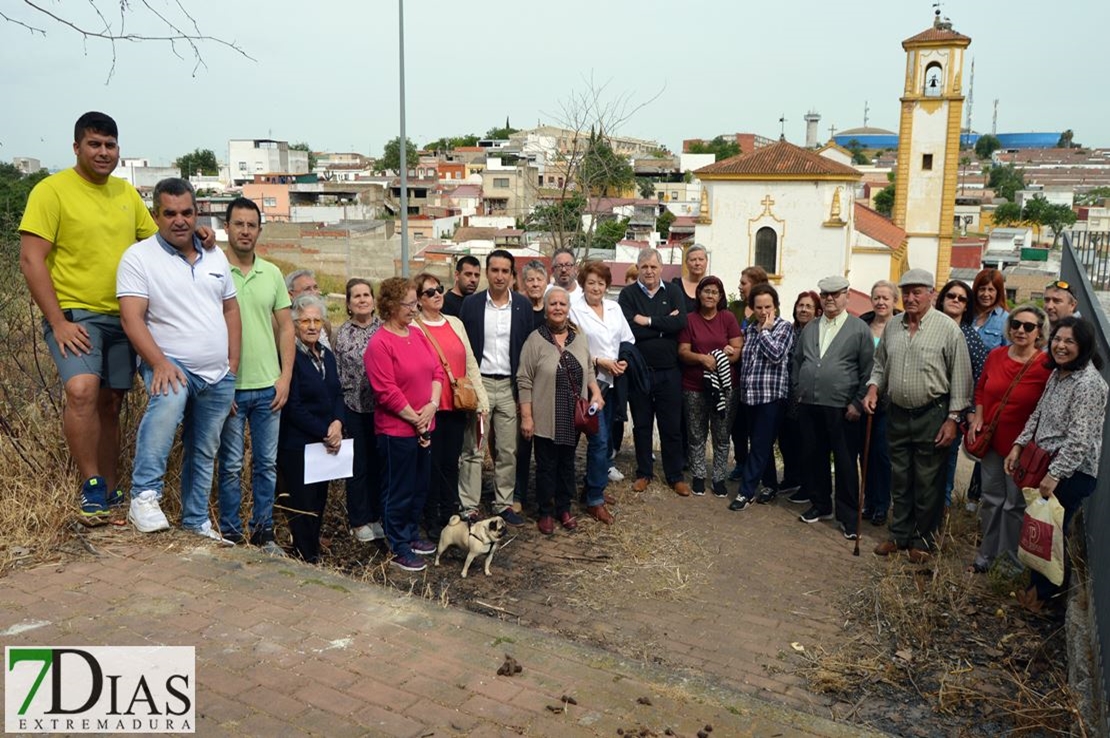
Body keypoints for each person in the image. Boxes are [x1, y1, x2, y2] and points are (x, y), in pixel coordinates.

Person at [19, 112, 194, 523]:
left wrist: (193, 234)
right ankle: (92, 485)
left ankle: (111, 491)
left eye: (110, 145)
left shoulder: (125, 194)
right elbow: (31, 259)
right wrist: (58, 321)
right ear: (76, 147)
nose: (103, 152)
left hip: (124, 317)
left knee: (111, 402)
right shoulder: (51, 191)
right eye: (94, 144)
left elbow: (152, 241)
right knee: (81, 390)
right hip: (77, 316)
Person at [116, 178, 239, 543]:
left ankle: (196, 520)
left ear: (197, 213)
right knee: (168, 404)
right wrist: (159, 362)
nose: (179, 220)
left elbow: (231, 309)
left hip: (218, 373)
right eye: (170, 213)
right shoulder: (138, 258)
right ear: (156, 216)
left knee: (205, 447)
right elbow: (131, 318)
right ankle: (144, 496)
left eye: (187, 212)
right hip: (171, 362)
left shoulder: (215, 254)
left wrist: (232, 365)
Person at [863, 269, 973, 562]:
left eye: (917, 292)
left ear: (931, 294)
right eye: (907, 292)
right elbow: (880, 365)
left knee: (927, 480)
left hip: (932, 413)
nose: (911, 298)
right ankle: (899, 535)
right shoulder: (895, 326)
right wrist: (874, 389)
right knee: (899, 478)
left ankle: (922, 540)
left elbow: (961, 379)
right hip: (897, 413)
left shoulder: (948, 329)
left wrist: (952, 419)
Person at [1007, 317, 1107, 612]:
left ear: (1084, 346)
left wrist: (1055, 475)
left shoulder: (1089, 384)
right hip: (1044, 463)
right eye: (1057, 340)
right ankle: (1034, 591)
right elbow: (1038, 414)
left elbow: (1080, 440)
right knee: (1040, 529)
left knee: (1052, 536)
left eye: (1070, 341)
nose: (1061, 346)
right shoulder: (1058, 373)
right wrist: (1019, 444)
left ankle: (1046, 599)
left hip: (1070, 472)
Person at [215, 197, 293, 554]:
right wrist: (219, 384)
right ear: (227, 227)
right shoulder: (211, 269)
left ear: (259, 230)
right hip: (229, 388)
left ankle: (263, 532)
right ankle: (230, 532)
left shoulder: (273, 273)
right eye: (239, 224)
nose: (245, 231)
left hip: (268, 388)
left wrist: (285, 377)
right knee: (230, 465)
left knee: (266, 465)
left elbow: (286, 329)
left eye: (251, 225)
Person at [965, 305, 1052, 573]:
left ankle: (1008, 562)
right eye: (1015, 324)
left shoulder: (1045, 366)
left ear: (1039, 332)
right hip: (992, 442)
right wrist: (977, 416)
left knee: (1014, 505)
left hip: (1023, 449)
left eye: (1028, 326)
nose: (1020, 331)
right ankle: (987, 554)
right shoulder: (996, 355)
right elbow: (981, 389)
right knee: (992, 500)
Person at [366, 277, 445, 572]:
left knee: (418, 487)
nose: (414, 308)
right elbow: (386, 391)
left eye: (415, 303)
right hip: (396, 431)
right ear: (390, 305)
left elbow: (437, 371)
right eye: (409, 303)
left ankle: (411, 534)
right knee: (397, 490)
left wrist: (433, 406)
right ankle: (397, 544)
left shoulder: (417, 334)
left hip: (424, 425)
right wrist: (417, 421)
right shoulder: (380, 343)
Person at [792, 276, 874, 539]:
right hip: (810, 403)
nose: (829, 298)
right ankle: (820, 504)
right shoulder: (811, 327)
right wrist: (798, 388)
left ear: (846, 296)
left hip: (843, 407)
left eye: (835, 294)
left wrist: (858, 402)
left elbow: (869, 368)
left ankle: (849, 516)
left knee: (846, 462)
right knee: (813, 456)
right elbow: (798, 360)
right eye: (825, 294)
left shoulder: (859, 329)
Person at [519, 287, 604, 533]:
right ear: (545, 309)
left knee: (567, 463)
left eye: (562, 304)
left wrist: (596, 393)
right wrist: (527, 417)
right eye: (553, 304)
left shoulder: (579, 338)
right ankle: (545, 511)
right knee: (546, 465)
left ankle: (564, 508)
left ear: (568, 309)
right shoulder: (535, 339)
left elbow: (588, 369)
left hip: (573, 415)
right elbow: (524, 380)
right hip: (545, 415)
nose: (558, 308)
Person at [457, 250, 532, 525]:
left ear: (512, 276)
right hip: (481, 384)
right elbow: (463, 349)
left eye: (505, 271)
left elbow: (525, 350)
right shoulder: (472, 305)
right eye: (495, 270)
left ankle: (503, 503)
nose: (500, 276)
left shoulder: (522, 307)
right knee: (474, 447)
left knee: (507, 449)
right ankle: (469, 506)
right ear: (487, 273)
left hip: (510, 386)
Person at [413, 272, 489, 539]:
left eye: (439, 289)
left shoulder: (455, 323)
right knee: (430, 465)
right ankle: (430, 517)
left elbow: (470, 363)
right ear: (419, 300)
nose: (437, 295)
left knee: (450, 463)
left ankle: (449, 514)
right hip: (430, 407)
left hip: (457, 406)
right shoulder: (414, 327)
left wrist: (481, 399)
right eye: (429, 292)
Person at [618, 248, 691, 496]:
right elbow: (628, 331)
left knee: (671, 426)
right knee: (642, 425)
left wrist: (647, 321)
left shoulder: (672, 291)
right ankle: (644, 472)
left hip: (669, 371)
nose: (649, 271)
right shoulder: (627, 295)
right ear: (638, 269)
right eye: (644, 266)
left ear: (661, 268)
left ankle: (675, 475)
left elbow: (680, 323)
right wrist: (662, 325)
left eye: (653, 266)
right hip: (640, 372)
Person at [277, 295, 344, 563]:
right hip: (299, 443)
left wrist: (338, 423)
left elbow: (338, 393)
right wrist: (325, 431)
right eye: (305, 320)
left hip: (326, 444)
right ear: (294, 324)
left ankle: (311, 551)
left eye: (317, 320)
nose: (312, 326)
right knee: (301, 505)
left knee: (319, 502)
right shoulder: (290, 357)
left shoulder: (326, 356)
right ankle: (307, 558)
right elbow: (293, 407)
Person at [571, 261, 635, 521]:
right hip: (587, 385)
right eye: (591, 283)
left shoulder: (614, 307)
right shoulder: (575, 311)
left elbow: (627, 340)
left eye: (601, 283)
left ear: (607, 286)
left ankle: (591, 486)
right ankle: (595, 500)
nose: (596, 288)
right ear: (583, 284)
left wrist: (623, 360)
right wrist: (599, 361)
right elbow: (573, 348)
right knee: (597, 441)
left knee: (606, 441)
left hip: (612, 384)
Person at [731, 284, 794, 511]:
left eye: (768, 306)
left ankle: (746, 492)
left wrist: (766, 330)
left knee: (758, 444)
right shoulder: (748, 331)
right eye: (759, 307)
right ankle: (769, 484)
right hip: (750, 396)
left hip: (772, 397)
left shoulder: (784, 328)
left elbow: (776, 355)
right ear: (752, 308)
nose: (763, 311)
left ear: (775, 306)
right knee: (761, 444)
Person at [677, 276, 742, 498]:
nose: (710, 295)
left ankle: (719, 478)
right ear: (699, 294)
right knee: (696, 433)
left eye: (715, 292)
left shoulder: (728, 318)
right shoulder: (690, 319)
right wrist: (703, 359)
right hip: (694, 385)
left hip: (725, 386)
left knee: (722, 434)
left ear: (721, 296)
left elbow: (737, 348)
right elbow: (683, 351)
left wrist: (722, 358)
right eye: (706, 291)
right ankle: (698, 476)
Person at [333, 278, 385, 544]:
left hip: (382, 408)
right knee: (358, 466)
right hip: (353, 407)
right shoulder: (342, 334)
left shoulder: (385, 330)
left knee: (379, 464)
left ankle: (378, 517)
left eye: (367, 295)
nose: (363, 299)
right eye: (357, 296)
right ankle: (359, 520)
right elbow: (336, 374)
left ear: (374, 300)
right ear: (349, 303)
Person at [936, 279, 989, 506]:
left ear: (967, 306)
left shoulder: (970, 337)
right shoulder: (927, 328)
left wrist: (970, 412)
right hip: (922, 408)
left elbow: (980, 377)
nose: (956, 300)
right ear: (942, 300)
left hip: (953, 412)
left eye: (961, 298)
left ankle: (941, 517)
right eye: (951, 296)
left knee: (945, 465)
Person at [858, 280, 900, 524]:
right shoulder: (862, 325)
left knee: (882, 454)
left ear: (895, 301)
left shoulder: (902, 327)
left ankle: (883, 504)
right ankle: (869, 501)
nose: (881, 302)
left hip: (889, 402)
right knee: (864, 454)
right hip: (862, 398)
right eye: (877, 297)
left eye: (886, 298)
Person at [728, 265, 771, 481]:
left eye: (743, 283)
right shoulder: (734, 307)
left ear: (755, 285)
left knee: (756, 427)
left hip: (757, 378)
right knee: (737, 424)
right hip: (734, 373)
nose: (739, 286)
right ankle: (741, 462)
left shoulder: (767, 311)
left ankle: (757, 469)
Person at [780, 291, 822, 505]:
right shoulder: (789, 330)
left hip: (805, 395)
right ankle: (791, 478)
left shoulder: (818, 333)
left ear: (817, 311)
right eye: (800, 305)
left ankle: (808, 485)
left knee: (806, 443)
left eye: (808, 306)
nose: (803, 309)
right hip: (785, 393)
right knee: (787, 440)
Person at [286, 269, 333, 348]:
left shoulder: (325, 324)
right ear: (290, 294)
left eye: (315, 287)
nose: (314, 293)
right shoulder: (283, 324)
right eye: (307, 289)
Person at [971, 268, 1009, 351]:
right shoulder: (966, 314)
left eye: (991, 290)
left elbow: (1009, 352)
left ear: (998, 292)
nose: (986, 294)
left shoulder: (1005, 319)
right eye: (982, 289)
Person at [674, 244, 709, 314]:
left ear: (706, 261)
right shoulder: (676, 285)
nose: (697, 263)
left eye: (701, 259)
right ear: (686, 263)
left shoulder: (714, 286)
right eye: (693, 260)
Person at [521, 259, 549, 329]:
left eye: (539, 279)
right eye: (530, 280)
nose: (535, 284)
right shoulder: (519, 311)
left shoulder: (551, 310)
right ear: (524, 284)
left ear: (546, 283)